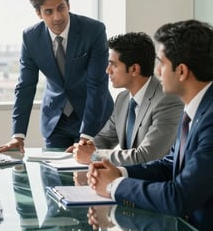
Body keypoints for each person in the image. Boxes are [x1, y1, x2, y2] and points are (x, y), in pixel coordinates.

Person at [88, 19, 213, 231]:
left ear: (181, 71)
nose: (156, 71)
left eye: (161, 62)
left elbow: (180, 197)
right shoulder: (196, 107)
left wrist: (114, 186)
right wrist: (120, 173)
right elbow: (168, 165)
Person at [0, 0, 113, 152]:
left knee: (88, 177)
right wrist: (18, 135)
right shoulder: (31, 37)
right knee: (52, 175)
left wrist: (86, 136)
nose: (57, 17)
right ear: (39, 13)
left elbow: (97, 84)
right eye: (49, 12)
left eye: (61, 8)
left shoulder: (93, 30)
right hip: (55, 121)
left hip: (92, 118)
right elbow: (25, 87)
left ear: (68, 5)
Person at [70, 32, 183, 165]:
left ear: (134, 69)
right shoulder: (123, 99)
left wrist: (95, 156)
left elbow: (147, 156)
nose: (107, 70)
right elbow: (105, 138)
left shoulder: (167, 101)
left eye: (114, 65)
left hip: (155, 182)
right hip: (127, 177)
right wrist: (84, 148)